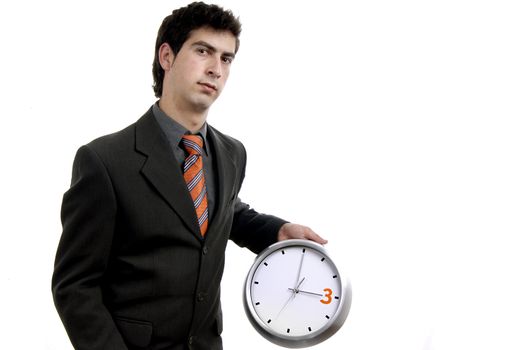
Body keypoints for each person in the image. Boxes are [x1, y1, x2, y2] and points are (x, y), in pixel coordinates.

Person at [52, 2, 327, 349]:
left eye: (226, 59)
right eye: (203, 51)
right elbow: (75, 286)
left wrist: (276, 230)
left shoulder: (232, 153)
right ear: (167, 57)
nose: (216, 69)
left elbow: (223, 212)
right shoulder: (104, 161)